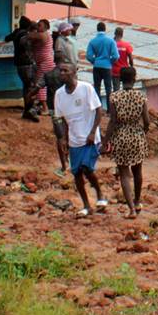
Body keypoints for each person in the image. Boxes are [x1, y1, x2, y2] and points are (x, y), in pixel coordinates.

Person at [53, 62, 108, 216]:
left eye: (65, 70)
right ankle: (86, 205)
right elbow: (62, 119)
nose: (62, 73)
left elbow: (98, 111)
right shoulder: (59, 94)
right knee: (76, 173)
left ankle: (100, 194)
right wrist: (63, 138)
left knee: (86, 168)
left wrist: (93, 132)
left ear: (73, 72)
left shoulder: (86, 88)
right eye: (60, 70)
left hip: (90, 139)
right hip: (74, 139)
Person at [104, 65, 150, 217]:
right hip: (137, 135)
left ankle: (130, 209)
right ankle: (137, 202)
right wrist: (143, 131)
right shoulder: (141, 96)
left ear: (120, 79)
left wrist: (105, 140)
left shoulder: (114, 97)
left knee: (124, 173)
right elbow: (147, 120)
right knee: (138, 171)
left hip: (120, 136)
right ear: (135, 78)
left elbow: (112, 121)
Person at [7, 16, 40, 122]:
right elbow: (26, 46)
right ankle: (30, 111)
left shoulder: (16, 33)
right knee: (31, 87)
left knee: (26, 87)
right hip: (27, 64)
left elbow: (7, 38)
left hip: (19, 64)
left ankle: (27, 110)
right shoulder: (25, 36)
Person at [85, 22, 119, 110]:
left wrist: (95, 61)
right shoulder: (111, 41)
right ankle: (109, 109)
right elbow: (116, 56)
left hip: (97, 66)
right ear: (105, 29)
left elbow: (88, 56)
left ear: (97, 29)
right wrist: (110, 62)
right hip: (107, 67)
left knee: (97, 87)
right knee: (108, 88)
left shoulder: (92, 41)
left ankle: (98, 108)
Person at [112, 26, 133, 98]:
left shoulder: (112, 44)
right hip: (125, 71)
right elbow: (131, 58)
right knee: (127, 89)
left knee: (116, 90)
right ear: (122, 34)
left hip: (115, 71)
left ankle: (116, 105)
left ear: (115, 34)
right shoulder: (127, 45)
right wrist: (132, 67)